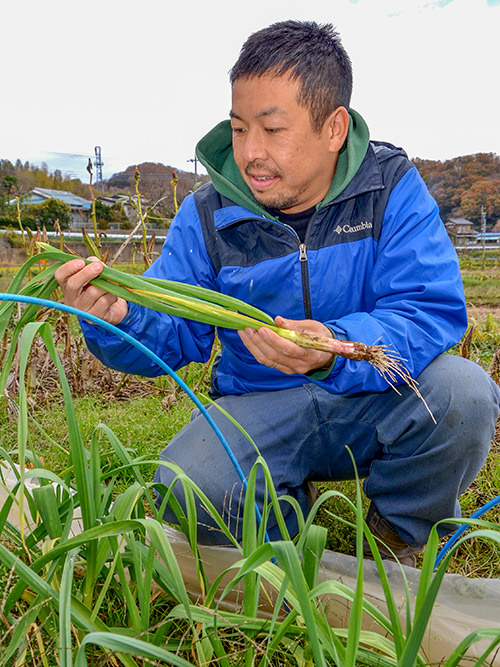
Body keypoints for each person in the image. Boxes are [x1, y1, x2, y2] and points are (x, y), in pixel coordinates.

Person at [55, 20, 500, 566]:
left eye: (272, 129)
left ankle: (399, 536)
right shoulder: (208, 215)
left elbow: (427, 307)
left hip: (371, 395)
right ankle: (285, 534)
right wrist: (117, 317)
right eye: (240, 129)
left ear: (334, 127)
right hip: (258, 403)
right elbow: (172, 333)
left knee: (463, 392)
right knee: (188, 483)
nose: (250, 153)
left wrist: (335, 344)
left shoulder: (390, 190)